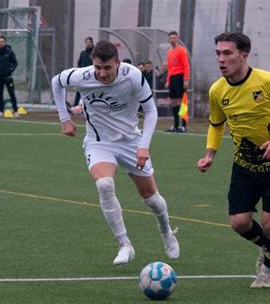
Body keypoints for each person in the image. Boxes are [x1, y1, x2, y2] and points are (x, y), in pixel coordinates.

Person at [51, 40, 180, 266]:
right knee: (104, 185)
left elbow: (150, 110)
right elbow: (56, 82)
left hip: (131, 142)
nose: (102, 73)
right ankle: (125, 244)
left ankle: (166, 231)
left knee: (152, 200)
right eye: (98, 68)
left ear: (118, 63)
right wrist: (64, 118)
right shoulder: (82, 75)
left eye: (107, 68)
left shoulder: (133, 76)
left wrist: (143, 146)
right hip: (98, 142)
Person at [197, 32, 270, 289]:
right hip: (244, 165)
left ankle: (269, 267)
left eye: (227, 53)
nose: (221, 59)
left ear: (243, 56)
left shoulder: (269, 81)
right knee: (239, 222)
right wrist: (210, 153)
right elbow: (216, 124)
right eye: (218, 54)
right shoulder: (217, 90)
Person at [165, 31, 190, 133]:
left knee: (182, 101)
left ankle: (183, 125)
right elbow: (170, 67)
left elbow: (186, 65)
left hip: (180, 77)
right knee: (173, 101)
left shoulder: (181, 50)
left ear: (177, 38)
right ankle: (175, 125)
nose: (172, 40)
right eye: (170, 38)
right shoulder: (169, 51)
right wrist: (168, 80)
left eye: (174, 38)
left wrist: (186, 79)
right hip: (172, 78)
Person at [0, 35, 19, 118]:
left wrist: (10, 70)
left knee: (12, 94)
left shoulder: (9, 52)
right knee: (0, 95)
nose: (1, 43)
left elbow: (15, 63)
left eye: (2, 41)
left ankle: (15, 111)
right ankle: (1, 111)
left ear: (5, 42)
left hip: (8, 77)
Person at [74, 37, 94, 106]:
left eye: (89, 42)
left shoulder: (94, 53)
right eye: (87, 42)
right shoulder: (83, 53)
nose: (88, 44)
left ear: (92, 43)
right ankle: (75, 106)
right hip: (82, 75)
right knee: (79, 91)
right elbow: (79, 63)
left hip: (91, 76)